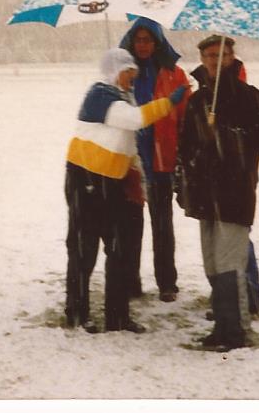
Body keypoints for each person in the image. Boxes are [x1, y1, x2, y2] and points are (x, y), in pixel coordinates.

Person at [64, 47, 187, 334]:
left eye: (133, 75)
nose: (132, 79)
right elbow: (134, 120)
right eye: (128, 74)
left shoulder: (122, 96)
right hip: (86, 179)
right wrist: (169, 102)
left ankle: (117, 316)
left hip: (114, 180)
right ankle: (76, 313)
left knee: (120, 249)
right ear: (115, 72)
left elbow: (127, 143)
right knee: (84, 249)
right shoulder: (99, 95)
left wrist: (135, 179)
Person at [176, 35, 259, 351]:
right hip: (205, 196)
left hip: (235, 194)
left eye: (223, 54)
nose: (216, 61)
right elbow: (185, 147)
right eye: (210, 55)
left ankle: (235, 331)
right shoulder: (196, 101)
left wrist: (228, 135)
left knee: (230, 262)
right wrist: (184, 184)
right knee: (212, 263)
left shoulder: (250, 97)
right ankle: (222, 323)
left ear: (232, 57)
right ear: (202, 58)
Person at [118, 18, 192, 303]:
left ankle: (167, 282)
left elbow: (185, 114)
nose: (143, 45)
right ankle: (130, 281)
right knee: (130, 226)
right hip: (131, 161)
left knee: (163, 225)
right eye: (138, 40)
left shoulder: (174, 74)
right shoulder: (124, 74)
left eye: (148, 40)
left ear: (158, 42)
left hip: (162, 161)